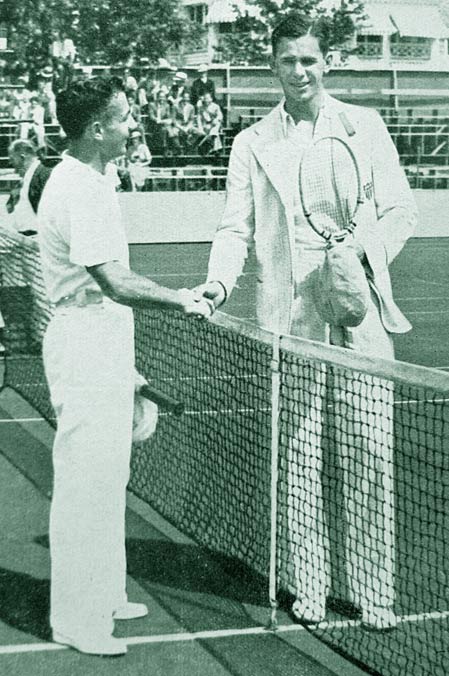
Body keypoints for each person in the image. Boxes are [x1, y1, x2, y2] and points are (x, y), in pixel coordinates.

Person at [196, 13, 417, 631]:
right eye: (289, 61)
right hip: (289, 320)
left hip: (359, 311)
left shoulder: (364, 126)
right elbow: (235, 228)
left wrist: (360, 254)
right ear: (273, 66)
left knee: (369, 451)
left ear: (327, 62)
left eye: (310, 60)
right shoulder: (251, 141)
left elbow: (402, 209)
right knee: (297, 456)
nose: (301, 71)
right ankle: (310, 587)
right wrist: (217, 284)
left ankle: (374, 593)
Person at [38, 75, 213, 657]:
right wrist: (182, 298)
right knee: (85, 485)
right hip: (85, 336)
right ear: (97, 129)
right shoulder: (79, 188)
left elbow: (108, 293)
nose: (133, 125)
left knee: (109, 479)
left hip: (103, 335)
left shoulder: (94, 180)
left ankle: (106, 594)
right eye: (124, 117)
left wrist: (128, 368)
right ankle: (76, 618)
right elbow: (114, 281)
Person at [7, 139, 53, 233]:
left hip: (37, 234)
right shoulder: (26, 177)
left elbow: (51, 211)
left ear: (22, 157)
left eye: (12, 159)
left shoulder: (44, 175)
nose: (10, 163)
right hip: (25, 235)